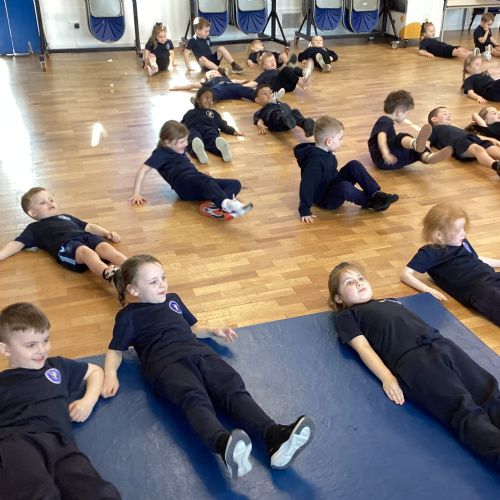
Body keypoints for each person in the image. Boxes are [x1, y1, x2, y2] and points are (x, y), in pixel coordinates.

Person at [101, 254, 314, 479]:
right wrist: (110, 374)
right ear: (134, 290)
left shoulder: (173, 300)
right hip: (166, 363)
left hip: (199, 353)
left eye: (163, 278)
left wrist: (212, 330)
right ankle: (223, 445)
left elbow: (193, 328)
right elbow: (115, 350)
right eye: (153, 282)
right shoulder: (128, 317)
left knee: (232, 388)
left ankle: (274, 437)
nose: (162, 284)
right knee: (194, 397)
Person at [329, 261, 500, 469]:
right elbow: (363, 347)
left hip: (441, 344)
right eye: (349, 282)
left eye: (360, 278)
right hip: (413, 360)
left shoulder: (390, 301)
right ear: (339, 298)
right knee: (463, 408)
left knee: (489, 391)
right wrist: (387, 377)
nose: (358, 283)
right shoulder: (346, 316)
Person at [0, 302, 121, 499]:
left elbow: (95, 372)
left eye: (46, 340)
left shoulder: (56, 367)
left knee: (101, 493)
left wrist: (87, 401)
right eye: (31, 345)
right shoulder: (4, 382)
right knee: (38, 493)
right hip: (19, 441)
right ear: (5, 349)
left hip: (62, 443)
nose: (42, 349)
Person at [400, 203, 500, 326]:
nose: (464, 233)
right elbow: (405, 274)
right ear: (439, 235)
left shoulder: (461, 242)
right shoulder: (430, 252)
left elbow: (476, 258)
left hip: (492, 276)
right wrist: (427, 289)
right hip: (477, 288)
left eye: (464, 228)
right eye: (459, 230)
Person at [130, 120, 252, 220]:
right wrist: (136, 193)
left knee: (235, 184)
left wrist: (199, 173)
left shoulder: (179, 148)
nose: (185, 144)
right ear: (168, 142)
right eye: (181, 142)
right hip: (184, 187)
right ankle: (226, 205)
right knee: (208, 182)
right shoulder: (160, 154)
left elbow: (188, 162)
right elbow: (143, 170)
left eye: (186, 140)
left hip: (195, 180)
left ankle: (213, 207)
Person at [0, 187, 125, 284]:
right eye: (43, 203)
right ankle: (110, 275)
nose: (50, 203)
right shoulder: (34, 228)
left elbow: (89, 227)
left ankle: (131, 266)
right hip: (67, 246)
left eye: (51, 200)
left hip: (86, 237)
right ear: (32, 213)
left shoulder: (66, 217)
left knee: (105, 247)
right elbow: (17, 244)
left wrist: (106, 233)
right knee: (87, 253)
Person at [294, 115, 399, 224]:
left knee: (354, 165)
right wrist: (304, 210)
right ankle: (371, 202)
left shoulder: (324, 151)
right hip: (325, 199)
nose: (342, 141)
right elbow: (307, 185)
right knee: (345, 187)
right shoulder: (314, 162)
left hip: (332, 184)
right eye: (340, 139)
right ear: (329, 142)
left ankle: (375, 194)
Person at [368, 90, 452, 170]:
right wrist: (385, 153)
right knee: (401, 137)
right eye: (406, 113)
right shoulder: (385, 120)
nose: (406, 117)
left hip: (391, 162)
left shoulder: (387, 121)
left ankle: (428, 157)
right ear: (399, 113)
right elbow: (381, 137)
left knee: (415, 150)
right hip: (380, 156)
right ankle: (415, 143)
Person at [427, 106, 500, 175]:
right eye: (445, 114)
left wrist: (489, 139)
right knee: (478, 149)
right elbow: (426, 142)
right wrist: (427, 154)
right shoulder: (433, 129)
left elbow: (471, 134)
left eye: (449, 114)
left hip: (471, 138)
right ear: (434, 119)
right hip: (459, 143)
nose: (448, 115)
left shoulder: (453, 127)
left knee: (493, 149)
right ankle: (496, 166)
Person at [181, 87, 244, 164]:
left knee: (212, 139)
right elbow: (182, 124)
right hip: (194, 128)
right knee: (193, 138)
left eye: (211, 99)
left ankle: (222, 150)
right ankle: (199, 152)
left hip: (210, 129)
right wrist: (174, 134)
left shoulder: (214, 113)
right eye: (206, 97)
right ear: (197, 100)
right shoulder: (190, 112)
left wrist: (233, 131)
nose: (209, 100)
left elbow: (223, 125)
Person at [244, 51, 314, 93]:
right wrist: (241, 87)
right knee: (286, 69)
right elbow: (254, 83)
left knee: (293, 69)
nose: (272, 62)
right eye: (269, 61)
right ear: (264, 66)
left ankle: (304, 73)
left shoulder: (278, 71)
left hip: (290, 85)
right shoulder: (265, 74)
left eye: (273, 61)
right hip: (279, 86)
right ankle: (302, 83)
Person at [171, 69, 256, 101]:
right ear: (209, 77)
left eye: (216, 71)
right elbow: (193, 85)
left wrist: (245, 81)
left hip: (231, 87)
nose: (214, 72)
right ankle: (199, 99)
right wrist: (179, 87)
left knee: (242, 89)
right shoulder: (209, 82)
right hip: (220, 88)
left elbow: (237, 81)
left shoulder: (227, 79)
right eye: (212, 73)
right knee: (212, 92)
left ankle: (257, 96)